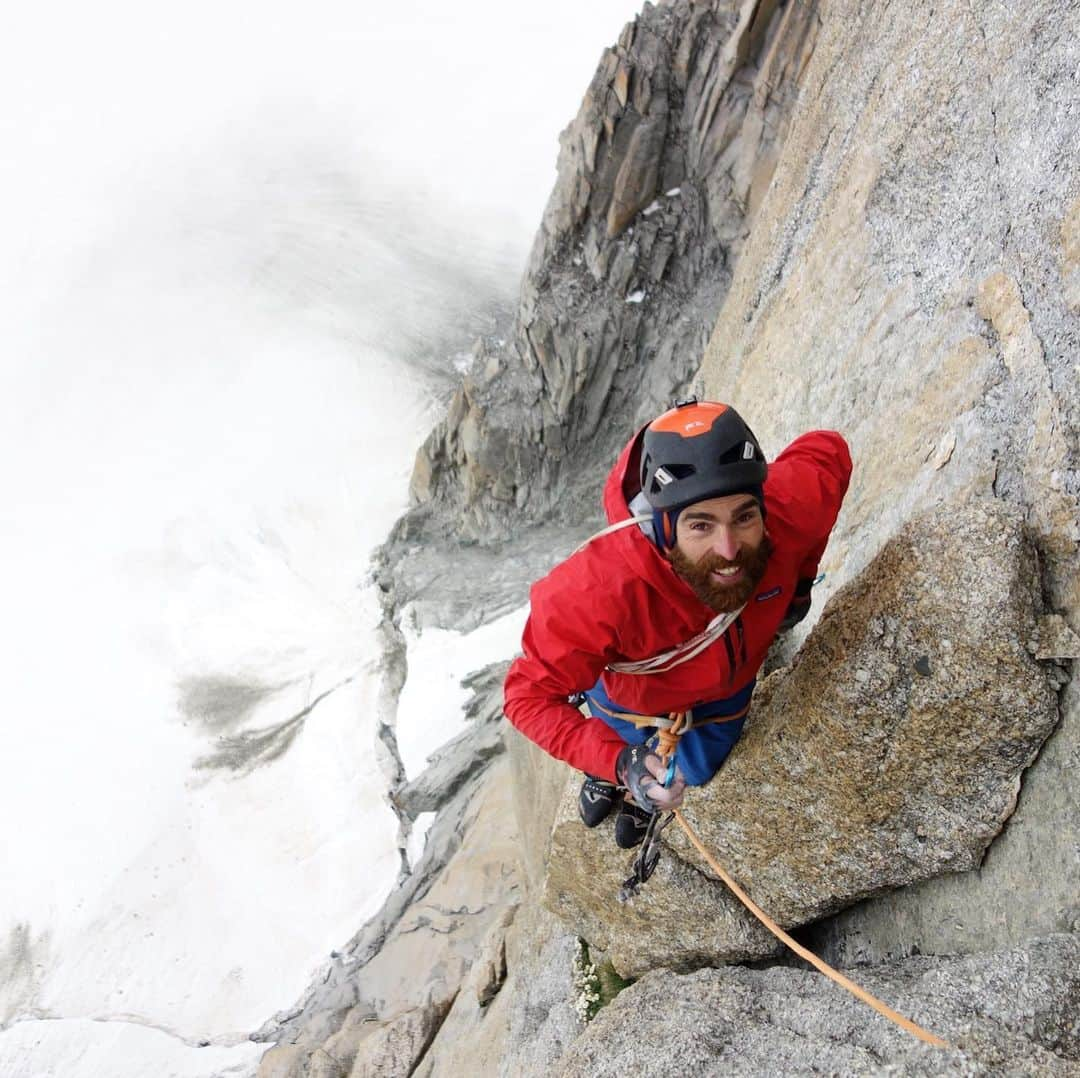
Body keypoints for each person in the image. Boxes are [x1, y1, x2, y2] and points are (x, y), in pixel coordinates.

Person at [503, 398, 851, 849]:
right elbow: (526, 696)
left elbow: (829, 454)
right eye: (701, 526)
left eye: (744, 517)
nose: (729, 550)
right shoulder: (597, 593)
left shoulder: (789, 511)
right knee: (625, 746)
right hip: (631, 700)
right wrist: (618, 761)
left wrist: (800, 582)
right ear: (664, 531)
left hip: (727, 689)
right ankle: (614, 779)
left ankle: (631, 777)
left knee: (698, 770)